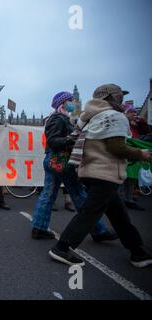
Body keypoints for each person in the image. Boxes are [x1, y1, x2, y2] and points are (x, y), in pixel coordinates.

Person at [49, 84, 152, 268]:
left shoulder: (87, 117)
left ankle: (138, 252)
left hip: (87, 171)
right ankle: (62, 247)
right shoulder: (114, 116)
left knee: (119, 214)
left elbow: (74, 138)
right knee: (89, 213)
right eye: (119, 97)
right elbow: (117, 147)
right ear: (111, 98)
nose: (121, 101)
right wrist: (140, 154)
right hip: (105, 172)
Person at [31, 91, 116, 242]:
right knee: (78, 193)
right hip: (60, 160)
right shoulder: (58, 118)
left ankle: (39, 228)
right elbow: (53, 141)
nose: (73, 103)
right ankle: (98, 230)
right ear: (62, 103)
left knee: (48, 194)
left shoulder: (61, 118)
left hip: (53, 159)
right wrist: (72, 139)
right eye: (70, 100)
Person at [120, 104, 148, 211]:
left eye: (135, 112)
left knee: (132, 177)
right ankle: (121, 200)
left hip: (136, 151)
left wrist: (140, 121)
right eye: (132, 112)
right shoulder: (122, 121)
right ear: (126, 113)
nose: (134, 114)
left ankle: (129, 199)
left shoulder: (136, 123)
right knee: (123, 177)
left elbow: (146, 131)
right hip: (127, 151)